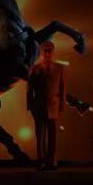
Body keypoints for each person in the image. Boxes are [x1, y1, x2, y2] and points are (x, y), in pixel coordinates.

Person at [27, 41, 66, 170]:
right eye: (45, 51)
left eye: (50, 51)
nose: (47, 54)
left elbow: (62, 88)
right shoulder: (35, 68)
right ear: (41, 52)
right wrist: (30, 106)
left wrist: (61, 106)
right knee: (40, 135)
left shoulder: (59, 68)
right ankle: (41, 160)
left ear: (53, 52)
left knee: (52, 136)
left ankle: (51, 161)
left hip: (53, 106)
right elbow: (29, 88)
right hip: (38, 106)